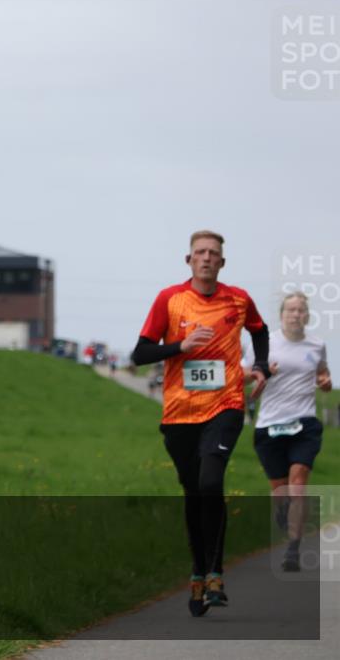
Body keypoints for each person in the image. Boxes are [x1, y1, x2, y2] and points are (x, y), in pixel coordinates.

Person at [131, 230, 271, 617]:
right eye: (200, 253)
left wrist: (259, 366)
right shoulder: (169, 299)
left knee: (212, 482)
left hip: (225, 406)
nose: (207, 258)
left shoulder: (239, 299)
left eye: (214, 253)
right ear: (188, 260)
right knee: (195, 493)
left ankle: (215, 574)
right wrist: (180, 347)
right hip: (178, 412)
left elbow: (260, 331)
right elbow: (140, 352)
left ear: (222, 263)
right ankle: (198, 572)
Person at [243, 292, 331, 571]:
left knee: (299, 481)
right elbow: (241, 375)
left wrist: (325, 381)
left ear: (307, 315)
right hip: (269, 424)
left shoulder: (317, 345)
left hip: (304, 423)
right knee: (280, 491)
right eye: (291, 310)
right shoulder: (265, 344)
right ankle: (283, 512)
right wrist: (262, 370)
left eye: (301, 310)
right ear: (281, 315)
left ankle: (293, 548)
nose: (295, 314)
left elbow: (323, 374)